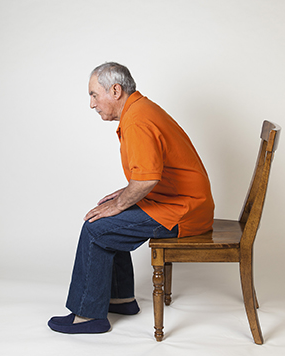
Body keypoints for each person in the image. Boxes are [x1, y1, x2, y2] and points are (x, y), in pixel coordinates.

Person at [48, 62, 214, 334]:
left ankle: (89, 316)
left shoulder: (137, 119)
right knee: (109, 214)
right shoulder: (140, 109)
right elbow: (149, 174)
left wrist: (121, 203)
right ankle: (121, 299)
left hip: (182, 211)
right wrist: (120, 198)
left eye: (93, 94)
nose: (91, 104)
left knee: (95, 229)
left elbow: (148, 179)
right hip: (182, 202)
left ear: (115, 90)